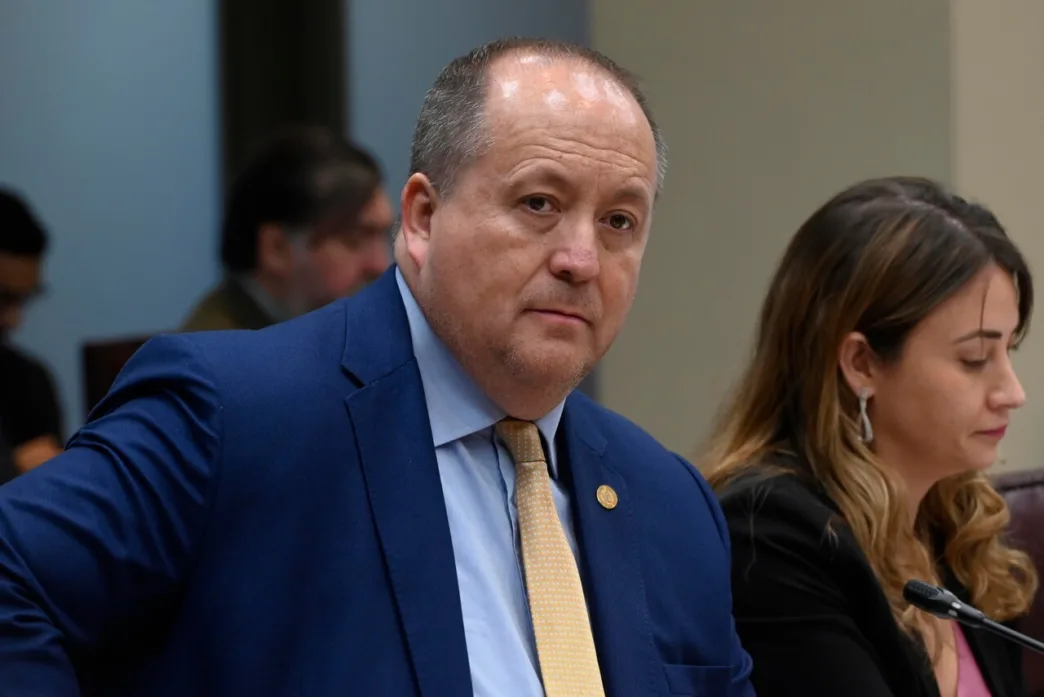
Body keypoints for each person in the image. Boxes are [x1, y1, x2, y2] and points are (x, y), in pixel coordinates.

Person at [0, 38, 754, 696]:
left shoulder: (672, 504)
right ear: (423, 217)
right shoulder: (235, 414)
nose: (581, 259)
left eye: (619, 221)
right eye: (538, 203)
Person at [703, 176, 1037, 697]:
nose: (1012, 393)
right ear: (861, 363)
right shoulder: (768, 534)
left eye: (1007, 351)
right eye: (975, 358)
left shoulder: (959, 527)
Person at [180, 125, 393, 331]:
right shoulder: (218, 350)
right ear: (277, 249)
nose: (381, 265)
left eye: (386, 236)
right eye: (354, 240)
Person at [0, 188, 63, 481]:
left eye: (24, 300)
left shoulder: (30, 383)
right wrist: (12, 470)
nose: (14, 321)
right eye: (3, 299)